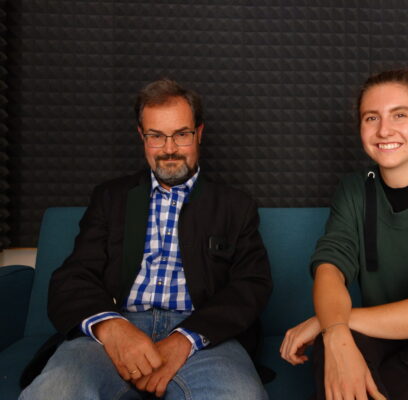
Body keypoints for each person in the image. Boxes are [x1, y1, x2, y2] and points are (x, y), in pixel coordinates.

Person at [20, 78, 272, 400]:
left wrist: (186, 338)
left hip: (203, 337)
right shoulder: (110, 198)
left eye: (181, 134)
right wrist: (112, 328)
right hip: (116, 330)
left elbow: (252, 284)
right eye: (156, 136)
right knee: (54, 391)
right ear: (142, 136)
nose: (169, 149)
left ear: (199, 133)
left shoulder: (235, 206)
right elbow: (73, 277)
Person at [280, 68, 408, 400]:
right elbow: (330, 267)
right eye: (371, 118)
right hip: (375, 333)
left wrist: (327, 321)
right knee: (330, 352)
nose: (384, 130)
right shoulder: (354, 189)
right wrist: (334, 331)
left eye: (399, 115)